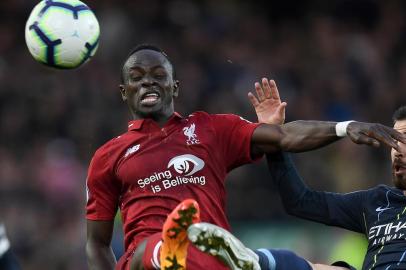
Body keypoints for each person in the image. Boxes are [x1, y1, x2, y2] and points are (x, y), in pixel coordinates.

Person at [85, 44, 405, 270]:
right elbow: (97, 243)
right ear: (124, 91)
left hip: (210, 260)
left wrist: (344, 127)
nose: (148, 81)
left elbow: (284, 136)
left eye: (157, 74)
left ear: (175, 87)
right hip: (147, 260)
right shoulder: (108, 156)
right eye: (137, 76)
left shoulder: (210, 130)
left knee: (205, 251)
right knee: (148, 249)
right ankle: (173, 250)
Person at [263, 105, 406, 270]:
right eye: (394, 140)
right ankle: (254, 260)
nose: (396, 150)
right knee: (290, 263)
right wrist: (272, 138)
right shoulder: (377, 201)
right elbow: (300, 201)